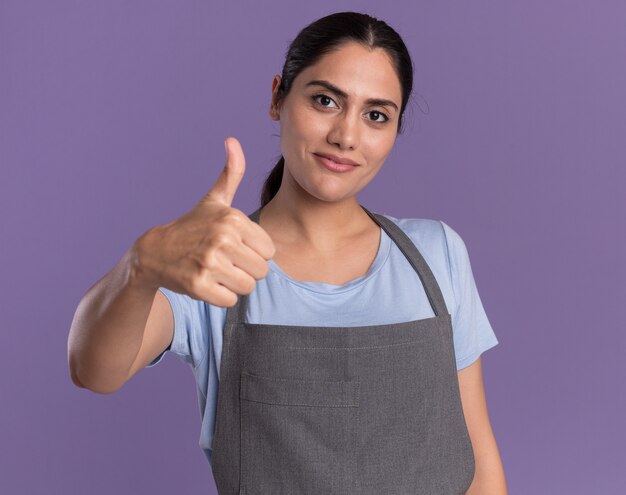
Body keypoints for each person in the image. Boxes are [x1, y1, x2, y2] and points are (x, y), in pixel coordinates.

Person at [68, 11, 507, 495]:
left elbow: (479, 461)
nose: (346, 135)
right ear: (278, 96)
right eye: (325, 100)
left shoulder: (436, 254)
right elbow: (93, 371)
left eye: (376, 115)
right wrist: (142, 263)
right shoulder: (215, 262)